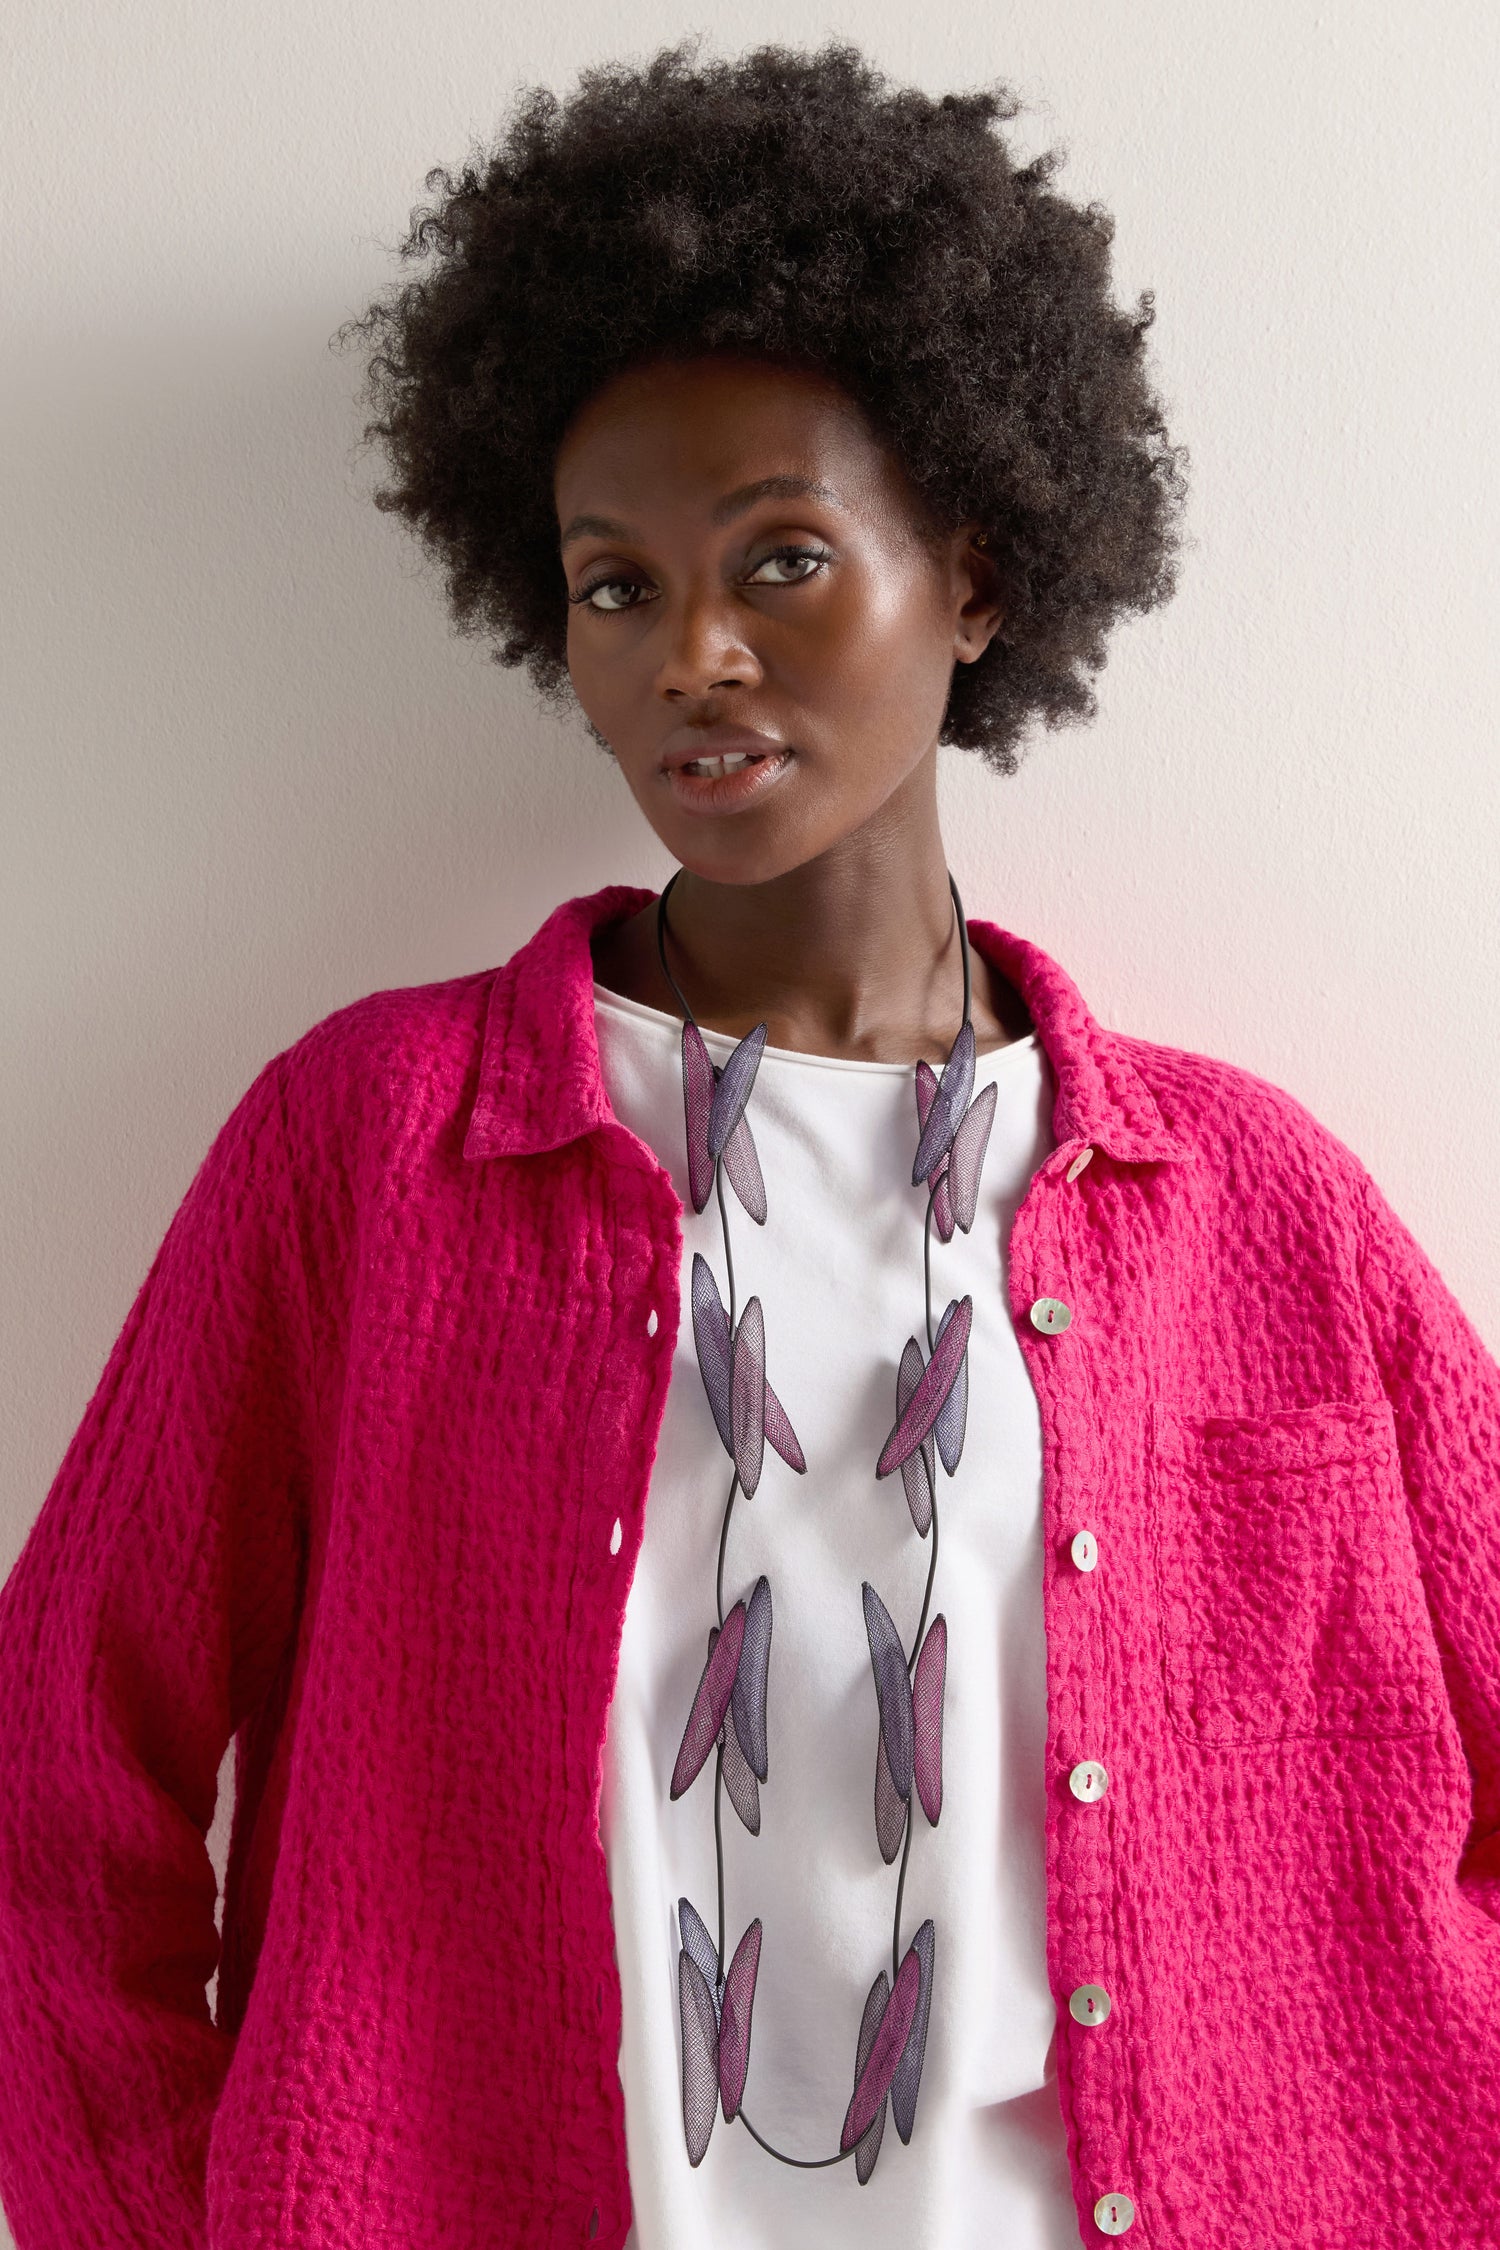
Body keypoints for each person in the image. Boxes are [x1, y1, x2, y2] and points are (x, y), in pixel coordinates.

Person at [1, 38, 1496, 2250]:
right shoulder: (380, 1154)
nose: (693, 653)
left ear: (976, 577)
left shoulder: (1254, 1205)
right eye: (616, 586)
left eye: (782, 560)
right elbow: (56, 1778)